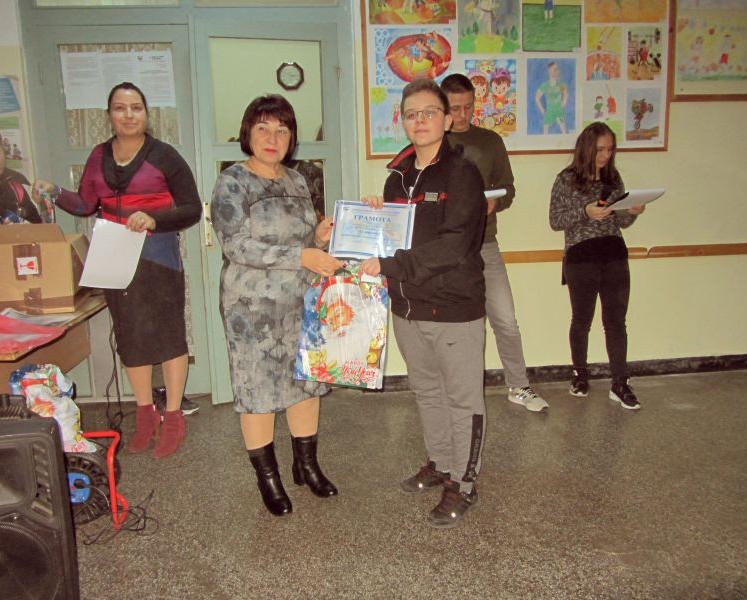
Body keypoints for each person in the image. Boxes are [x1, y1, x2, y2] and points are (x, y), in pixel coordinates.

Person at [34, 82, 202, 457]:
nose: (128, 115)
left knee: (169, 337)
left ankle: (173, 418)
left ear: (146, 114)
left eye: (136, 107)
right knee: (129, 337)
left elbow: (192, 209)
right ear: (109, 115)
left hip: (158, 258)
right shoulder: (98, 156)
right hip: (113, 258)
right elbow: (85, 204)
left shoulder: (165, 156)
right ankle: (145, 415)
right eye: (120, 108)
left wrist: (154, 219)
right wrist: (55, 192)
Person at [359, 79, 487, 528]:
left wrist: (391, 264)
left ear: (447, 120)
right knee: (427, 392)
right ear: (403, 121)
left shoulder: (462, 174)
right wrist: (373, 218)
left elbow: (455, 244)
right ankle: (441, 463)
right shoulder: (396, 178)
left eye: (429, 112)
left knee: (463, 399)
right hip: (408, 308)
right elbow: (394, 238)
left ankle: (464, 484)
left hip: (453, 308)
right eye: (411, 114)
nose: (420, 121)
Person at [210, 94, 341, 517]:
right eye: (263, 128)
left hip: (301, 301)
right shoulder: (232, 182)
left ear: (291, 137)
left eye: (282, 130)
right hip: (252, 309)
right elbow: (236, 245)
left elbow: (302, 239)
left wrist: (317, 238)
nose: (273, 138)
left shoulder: (298, 180)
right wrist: (301, 256)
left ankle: (307, 465)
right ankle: (268, 479)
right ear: (247, 133)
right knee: (258, 391)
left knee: (306, 384)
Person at [441, 73, 548, 413]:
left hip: (485, 243)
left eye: (468, 107)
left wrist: (495, 202)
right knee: (456, 326)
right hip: (445, 249)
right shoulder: (433, 143)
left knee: (505, 319)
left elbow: (509, 189)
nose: (462, 115)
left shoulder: (490, 142)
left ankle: (518, 385)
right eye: (455, 108)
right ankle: (454, 393)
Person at [549, 122, 645, 410]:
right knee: (582, 319)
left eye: (610, 150)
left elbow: (622, 222)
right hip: (581, 256)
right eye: (600, 149)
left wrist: (632, 211)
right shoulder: (566, 179)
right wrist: (585, 212)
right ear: (586, 148)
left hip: (614, 253)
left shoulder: (613, 179)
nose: (605, 155)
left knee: (616, 321)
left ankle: (620, 383)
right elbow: (555, 220)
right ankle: (580, 375)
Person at [535, 61, 568, 134]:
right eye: (555, 69)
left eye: (557, 69)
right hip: (549, 112)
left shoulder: (561, 85)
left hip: (559, 111)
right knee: (545, 133)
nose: (557, 71)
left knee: (564, 132)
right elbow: (537, 97)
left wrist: (563, 103)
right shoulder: (545, 86)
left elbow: (565, 94)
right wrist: (542, 110)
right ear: (549, 71)